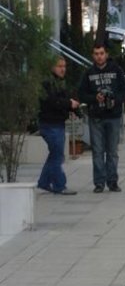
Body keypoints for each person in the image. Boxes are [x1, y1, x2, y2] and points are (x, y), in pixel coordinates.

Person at [79, 43, 125, 193]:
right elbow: (81, 94)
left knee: (112, 151)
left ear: (106, 54)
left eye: (101, 53)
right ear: (93, 56)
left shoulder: (116, 70)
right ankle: (99, 183)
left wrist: (114, 100)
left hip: (113, 116)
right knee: (98, 151)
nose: (99, 56)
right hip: (96, 117)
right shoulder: (89, 73)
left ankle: (112, 181)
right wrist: (95, 98)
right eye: (96, 54)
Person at [37, 56, 80, 195]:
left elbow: (62, 100)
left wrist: (73, 108)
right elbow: (53, 102)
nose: (63, 69)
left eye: (64, 66)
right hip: (50, 124)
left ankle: (44, 182)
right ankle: (59, 185)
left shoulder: (59, 82)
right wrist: (69, 104)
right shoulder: (48, 83)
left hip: (56, 123)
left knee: (55, 154)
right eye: (59, 66)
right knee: (57, 155)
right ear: (52, 67)